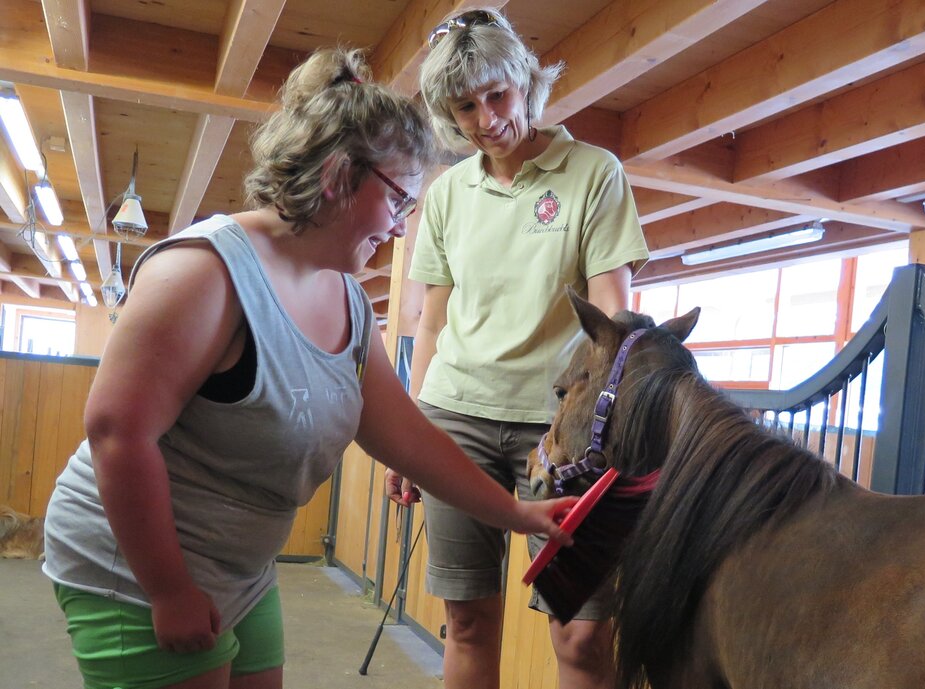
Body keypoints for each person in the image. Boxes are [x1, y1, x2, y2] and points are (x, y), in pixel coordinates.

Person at [41, 47, 576, 689]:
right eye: (400, 201)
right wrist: (167, 589)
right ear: (339, 176)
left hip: (241, 564)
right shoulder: (202, 274)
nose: (403, 230)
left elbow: (405, 437)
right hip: (137, 564)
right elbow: (116, 435)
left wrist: (520, 514)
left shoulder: (345, 296)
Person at [384, 9, 649, 689]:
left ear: (526, 82)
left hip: (560, 431)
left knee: (585, 632)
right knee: (468, 621)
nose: (485, 118)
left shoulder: (594, 173)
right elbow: (432, 322)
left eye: (496, 95)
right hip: (457, 417)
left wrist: (615, 424)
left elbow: (614, 312)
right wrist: (412, 432)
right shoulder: (445, 195)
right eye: (464, 105)